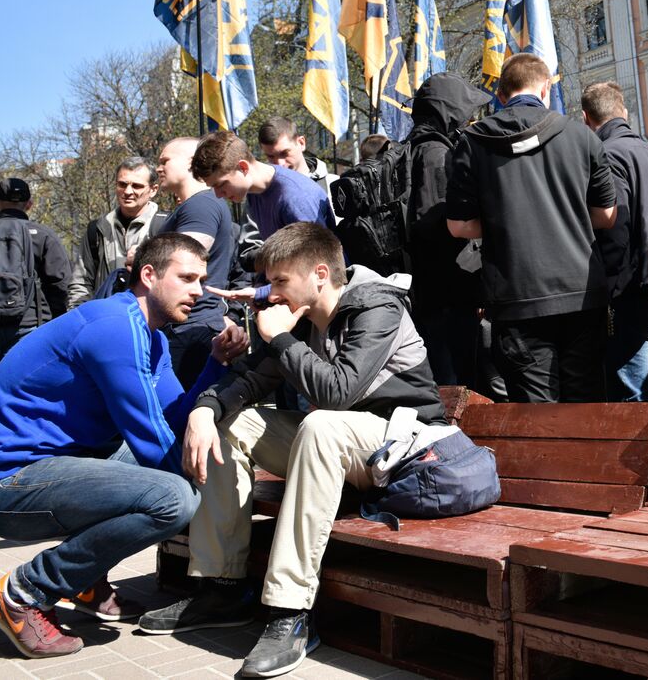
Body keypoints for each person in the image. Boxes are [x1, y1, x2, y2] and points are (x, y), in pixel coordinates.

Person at [140, 223, 442, 679]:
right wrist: (205, 409)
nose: (271, 293)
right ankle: (223, 588)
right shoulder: (300, 317)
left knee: (321, 423)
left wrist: (282, 339)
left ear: (320, 274)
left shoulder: (378, 307)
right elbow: (249, 380)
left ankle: (290, 612)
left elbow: (338, 393)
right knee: (231, 422)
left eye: (280, 281)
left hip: (402, 447)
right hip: (342, 448)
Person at [0, 233, 243, 660]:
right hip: (5, 485)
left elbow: (172, 418)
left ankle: (85, 579)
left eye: (202, 279)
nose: (199, 290)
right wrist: (205, 501)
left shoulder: (151, 336)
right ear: (148, 275)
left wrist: (215, 363)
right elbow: (151, 441)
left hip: (54, 463)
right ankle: (23, 592)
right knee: (174, 500)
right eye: (187, 277)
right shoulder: (114, 329)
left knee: (177, 475)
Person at [445, 53, 617, 403]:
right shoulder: (580, 136)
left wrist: (502, 221)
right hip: (580, 292)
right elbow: (607, 215)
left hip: (516, 298)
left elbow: (458, 225)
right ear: (546, 87)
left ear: (502, 94)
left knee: (537, 416)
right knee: (588, 409)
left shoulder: (472, 142)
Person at [582, 81, 648, 401]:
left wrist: (610, 286)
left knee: (631, 391)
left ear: (586, 119)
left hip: (633, 285)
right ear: (623, 111)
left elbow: (615, 226)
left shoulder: (606, 154)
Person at [406, 73, 493, 386]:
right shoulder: (435, 155)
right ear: (449, 113)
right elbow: (439, 224)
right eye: (465, 114)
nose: (469, 120)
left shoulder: (415, 149)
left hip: (430, 295)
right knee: (457, 385)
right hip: (445, 297)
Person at [154, 137, 239, 387]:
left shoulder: (201, 205)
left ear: (189, 162)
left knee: (184, 416)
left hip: (192, 330)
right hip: (188, 327)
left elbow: (183, 261)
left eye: (165, 161)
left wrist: (140, 255)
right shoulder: (196, 205)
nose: (158, 168)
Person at [0, 178, 70, 377]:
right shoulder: (42, 235)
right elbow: (60, 284)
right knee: (22, 391)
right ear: (29, 204)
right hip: (29, 327)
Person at [191, 130, 335, 239]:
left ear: (243, 168)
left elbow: (316, 262)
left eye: (221, 184)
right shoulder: (254, 192)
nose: (218, 194)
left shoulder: (294, 196)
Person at [67, 157, 164, 309]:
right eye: (122, 184)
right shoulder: (98, 229)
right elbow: (81, 281)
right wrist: (79, 318)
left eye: (137, 186)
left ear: (153, 190)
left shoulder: (165, 226)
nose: (128, 191)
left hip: (151, 322)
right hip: (105, 319)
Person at [257, 117, 338, 205]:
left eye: (284, 153)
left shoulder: (335, 185)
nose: (280, 163)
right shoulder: (260, 197)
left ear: (301, 143)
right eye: (271, 156)